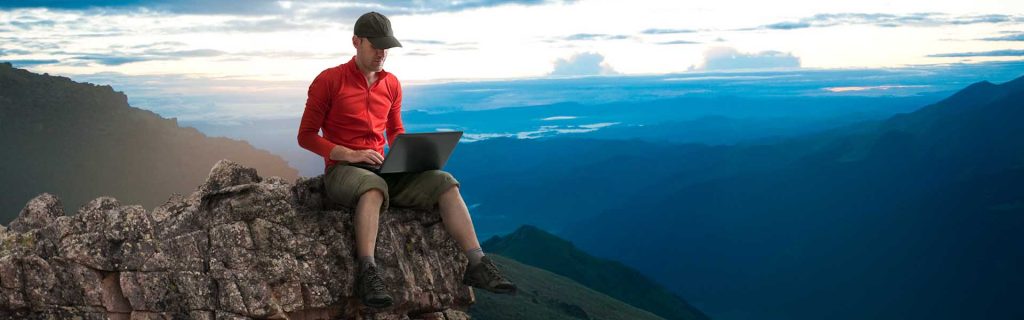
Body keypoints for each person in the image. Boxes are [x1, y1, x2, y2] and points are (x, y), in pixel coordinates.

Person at [297, 11, 516, 309]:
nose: (381, 54)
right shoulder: (328, 81)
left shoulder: (392, 84)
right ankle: (368, 272)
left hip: (384, 169)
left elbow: (395, 131)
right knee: (373, 188)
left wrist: (413, 155)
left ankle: (477, 262)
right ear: (356, 42)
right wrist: (348, 153)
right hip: (344, 171)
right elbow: (306, 136)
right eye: (375, 46)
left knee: (445, 182)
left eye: (386, 47)